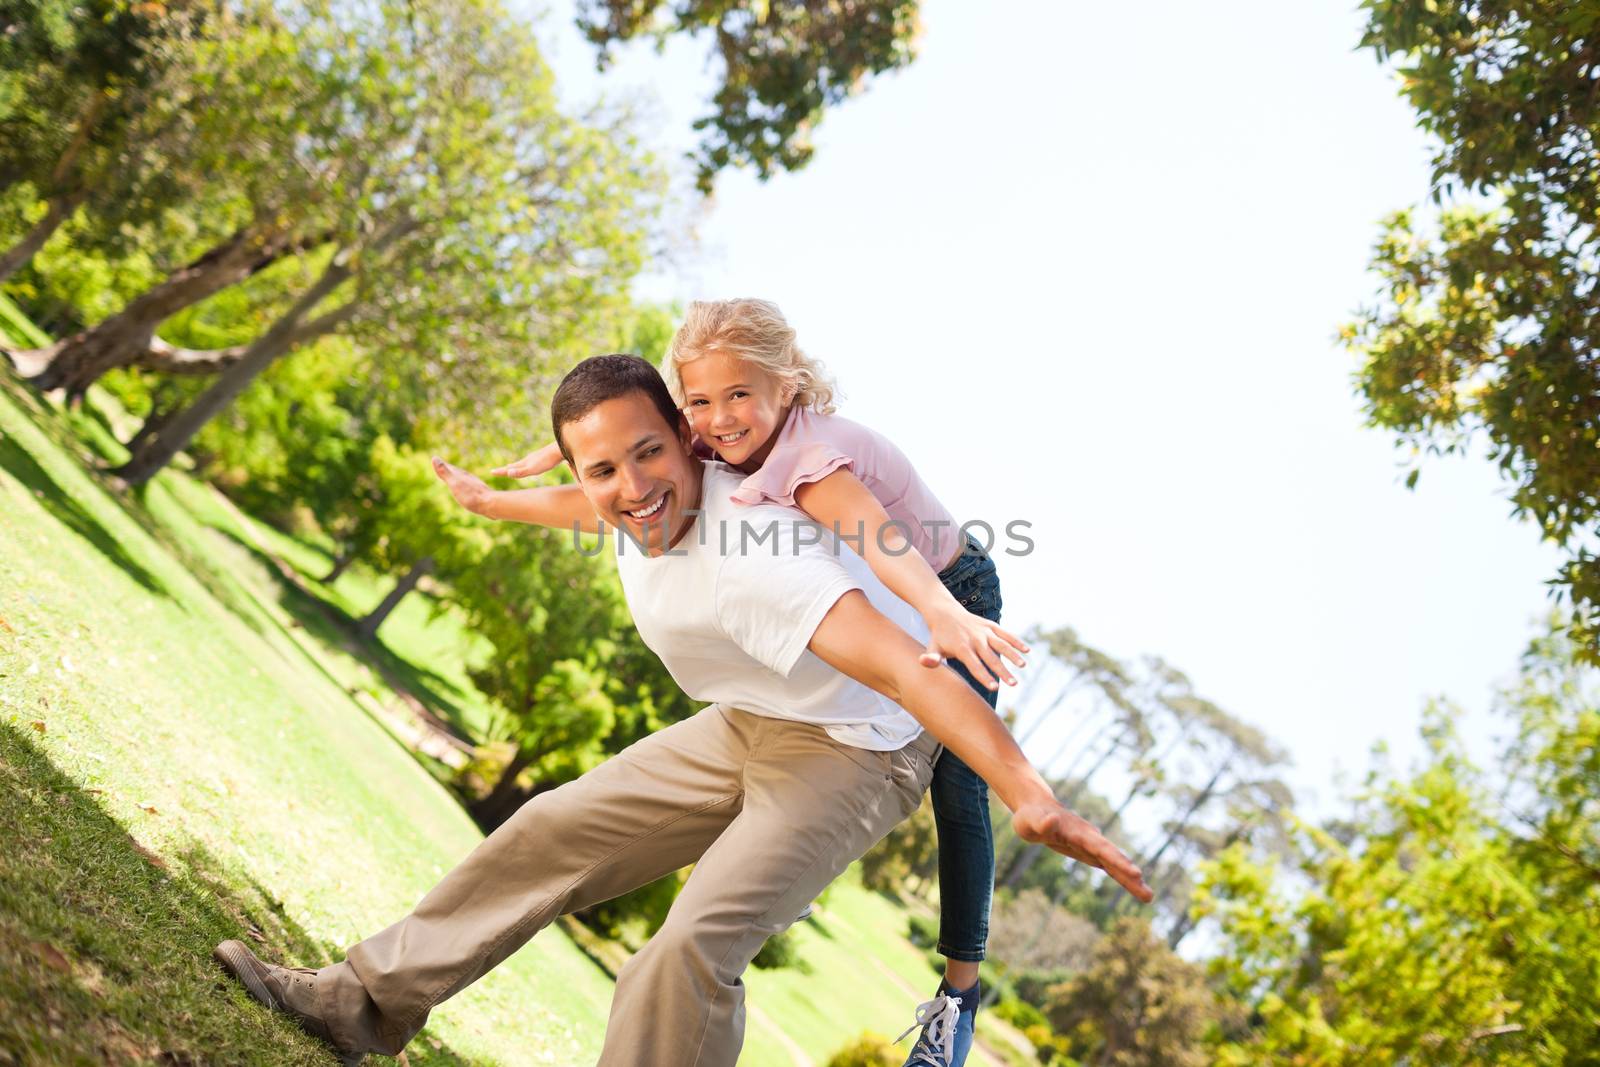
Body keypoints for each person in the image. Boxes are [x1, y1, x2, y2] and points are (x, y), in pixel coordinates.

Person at [219, 354, 1150, 1067]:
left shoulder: (757, 548)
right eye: (601, 469)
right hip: (751, 718)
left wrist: (1025, 790)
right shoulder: (630, 500)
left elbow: (911, 671)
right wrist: (494, 502)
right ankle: (361, 1004)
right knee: (550, 829)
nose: (631, 488)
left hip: (858, 749)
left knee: (685, 952)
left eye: (648, 453)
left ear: (688, 440)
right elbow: (600, 502)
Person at [492, 300, 1023, 1065]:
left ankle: (958, 997)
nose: (716, 417)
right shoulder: (706, 434)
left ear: (788, 384)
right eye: (699, 402)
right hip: (891, 616)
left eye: (737, 396)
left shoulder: (816, 458)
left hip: (950, 587)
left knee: (960, 786)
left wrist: (943, 612)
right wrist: (558, 457)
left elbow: (885, 552)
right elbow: (619, 467)